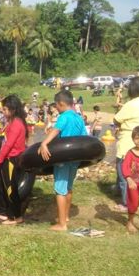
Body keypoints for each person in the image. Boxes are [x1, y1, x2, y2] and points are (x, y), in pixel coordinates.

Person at [38, 90, 88, 231]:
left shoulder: (64, 116)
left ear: (60, 104)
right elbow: (85, 136)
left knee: (60, 190)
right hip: (75, 158)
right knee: (69, 187)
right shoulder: (78, 117)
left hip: (63, 158)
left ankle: (62, 224)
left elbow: (56, 130)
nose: (56, 109)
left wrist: (44, 143)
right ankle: (65, 216)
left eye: (56, 106)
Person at [113, 76, 139, 212]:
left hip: (130, 144)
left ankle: (126, 203)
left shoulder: (132, 104)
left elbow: (116, 119)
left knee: (124, 173)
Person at [122, 125, 139, 234]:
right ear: (133, 138)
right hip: (133, 184)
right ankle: (130, 222)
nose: (138, 141)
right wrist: (128, 179)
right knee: (133, 203)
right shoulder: (130, 153)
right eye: (136, 138)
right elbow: (125, 167)